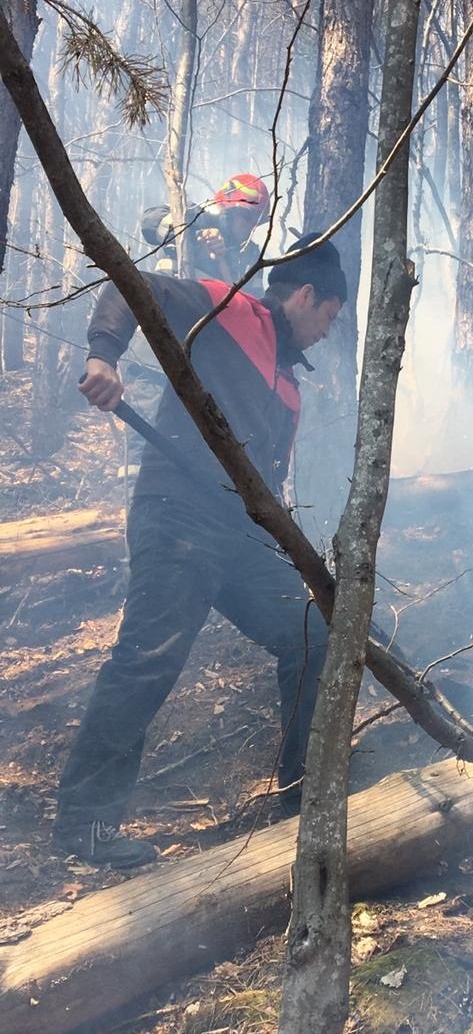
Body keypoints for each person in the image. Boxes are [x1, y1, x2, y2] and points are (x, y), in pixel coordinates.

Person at [51, 234, 346, 869]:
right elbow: (134, 284)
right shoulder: (227, 307)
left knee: (313, 632)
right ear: (306, 295)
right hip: (175, 513)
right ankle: (86, 825)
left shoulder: (291, 390)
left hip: (237, 535)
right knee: (148, 659)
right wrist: (105, 357)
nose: (328, 332)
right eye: (330, 316)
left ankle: (303, 793)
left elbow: (266, 482)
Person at [141, 173, 270, 284]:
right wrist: (195, 234)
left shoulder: (251, 255)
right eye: (247, 217)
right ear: (229, 210)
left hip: (209, 311)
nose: (252, 227)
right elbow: (149, 223)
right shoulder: (193, 215)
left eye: (257, 221)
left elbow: (255, 300)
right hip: (168, 299)